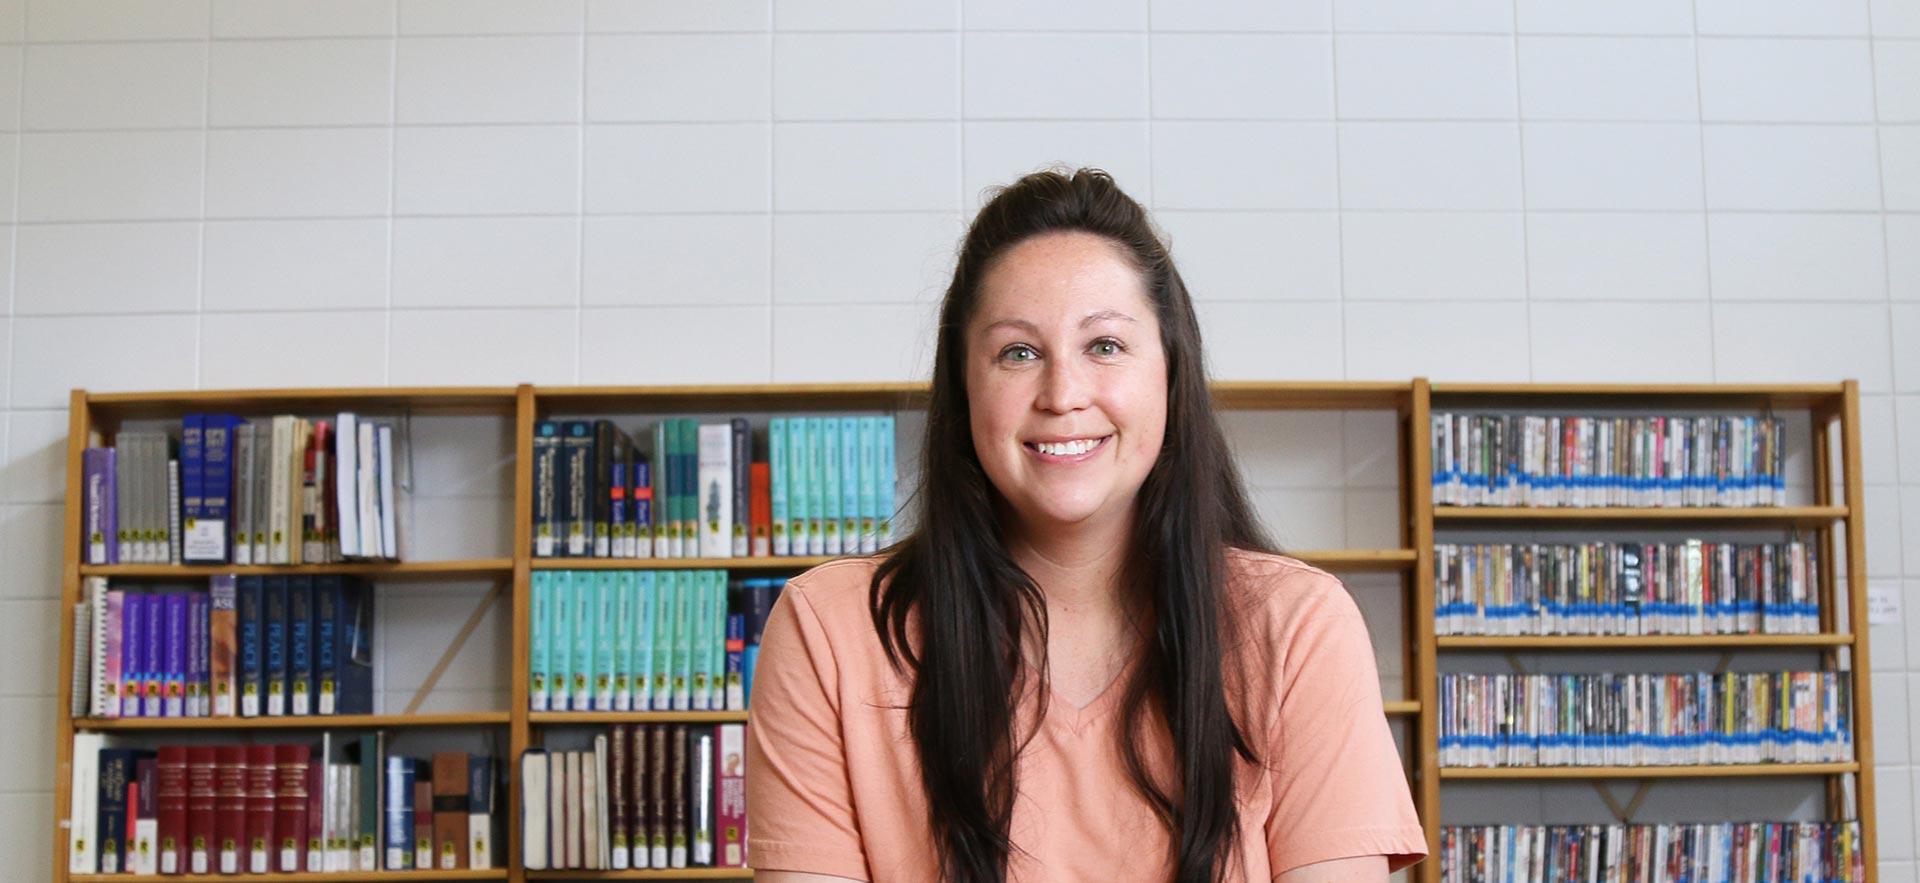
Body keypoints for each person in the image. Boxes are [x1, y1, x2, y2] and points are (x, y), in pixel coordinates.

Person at [745, 168, 1426, 882]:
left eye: (1104, 345)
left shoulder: (1298, 627)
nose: (1063, 394)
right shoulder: (829, 631)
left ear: (1169, 371)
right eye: (1018, 352)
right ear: (965, 385)